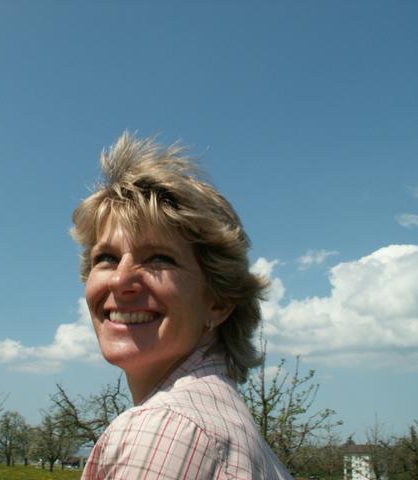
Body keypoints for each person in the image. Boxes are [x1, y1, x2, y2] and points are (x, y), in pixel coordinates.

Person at [72, 132, 293, 479]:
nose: (120, 280)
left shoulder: (168, 429)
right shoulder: (218, 423)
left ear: (218, 300)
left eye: (159, 258)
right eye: (107, 258)